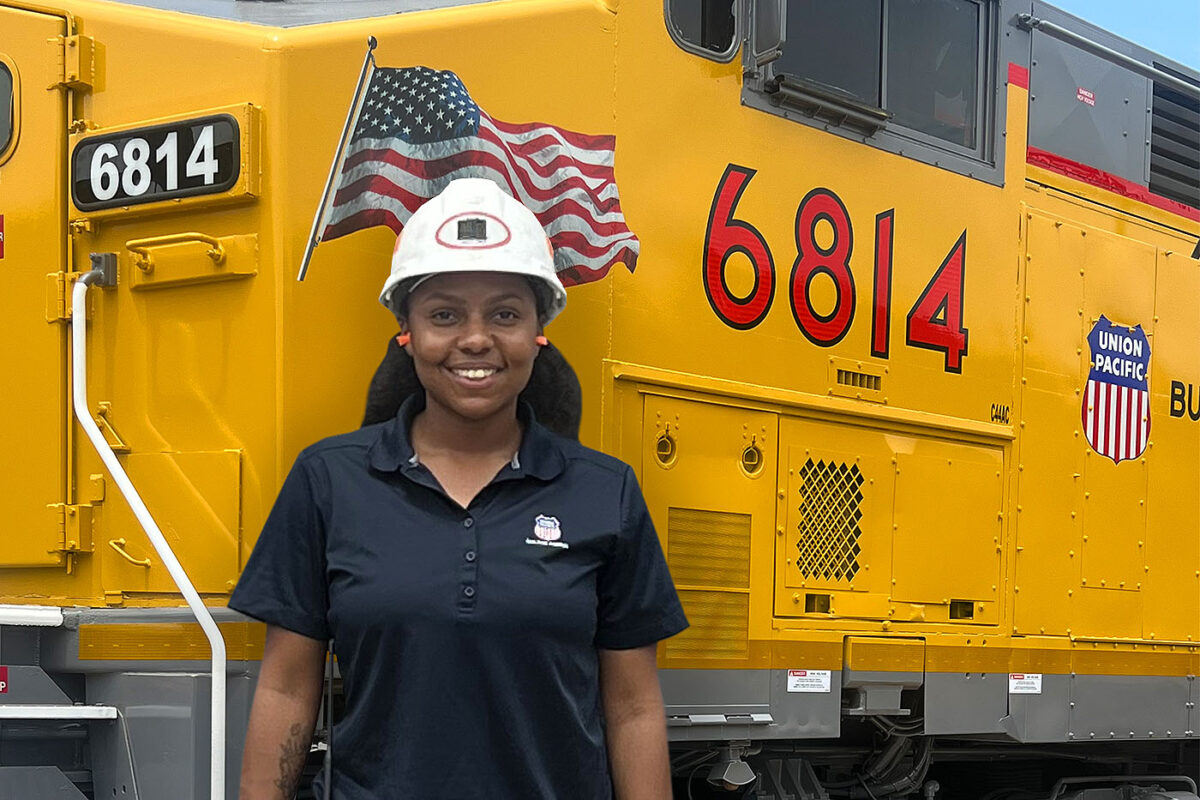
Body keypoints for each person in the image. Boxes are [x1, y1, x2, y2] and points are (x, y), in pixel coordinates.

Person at [230, 177, 688, 800]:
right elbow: (286, 686)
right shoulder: (328, 481)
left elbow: (633, 706)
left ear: (538, 333)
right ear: (408, 332)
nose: (476, 339)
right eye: (444, 315)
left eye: (505, 314)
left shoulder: (605, 493)